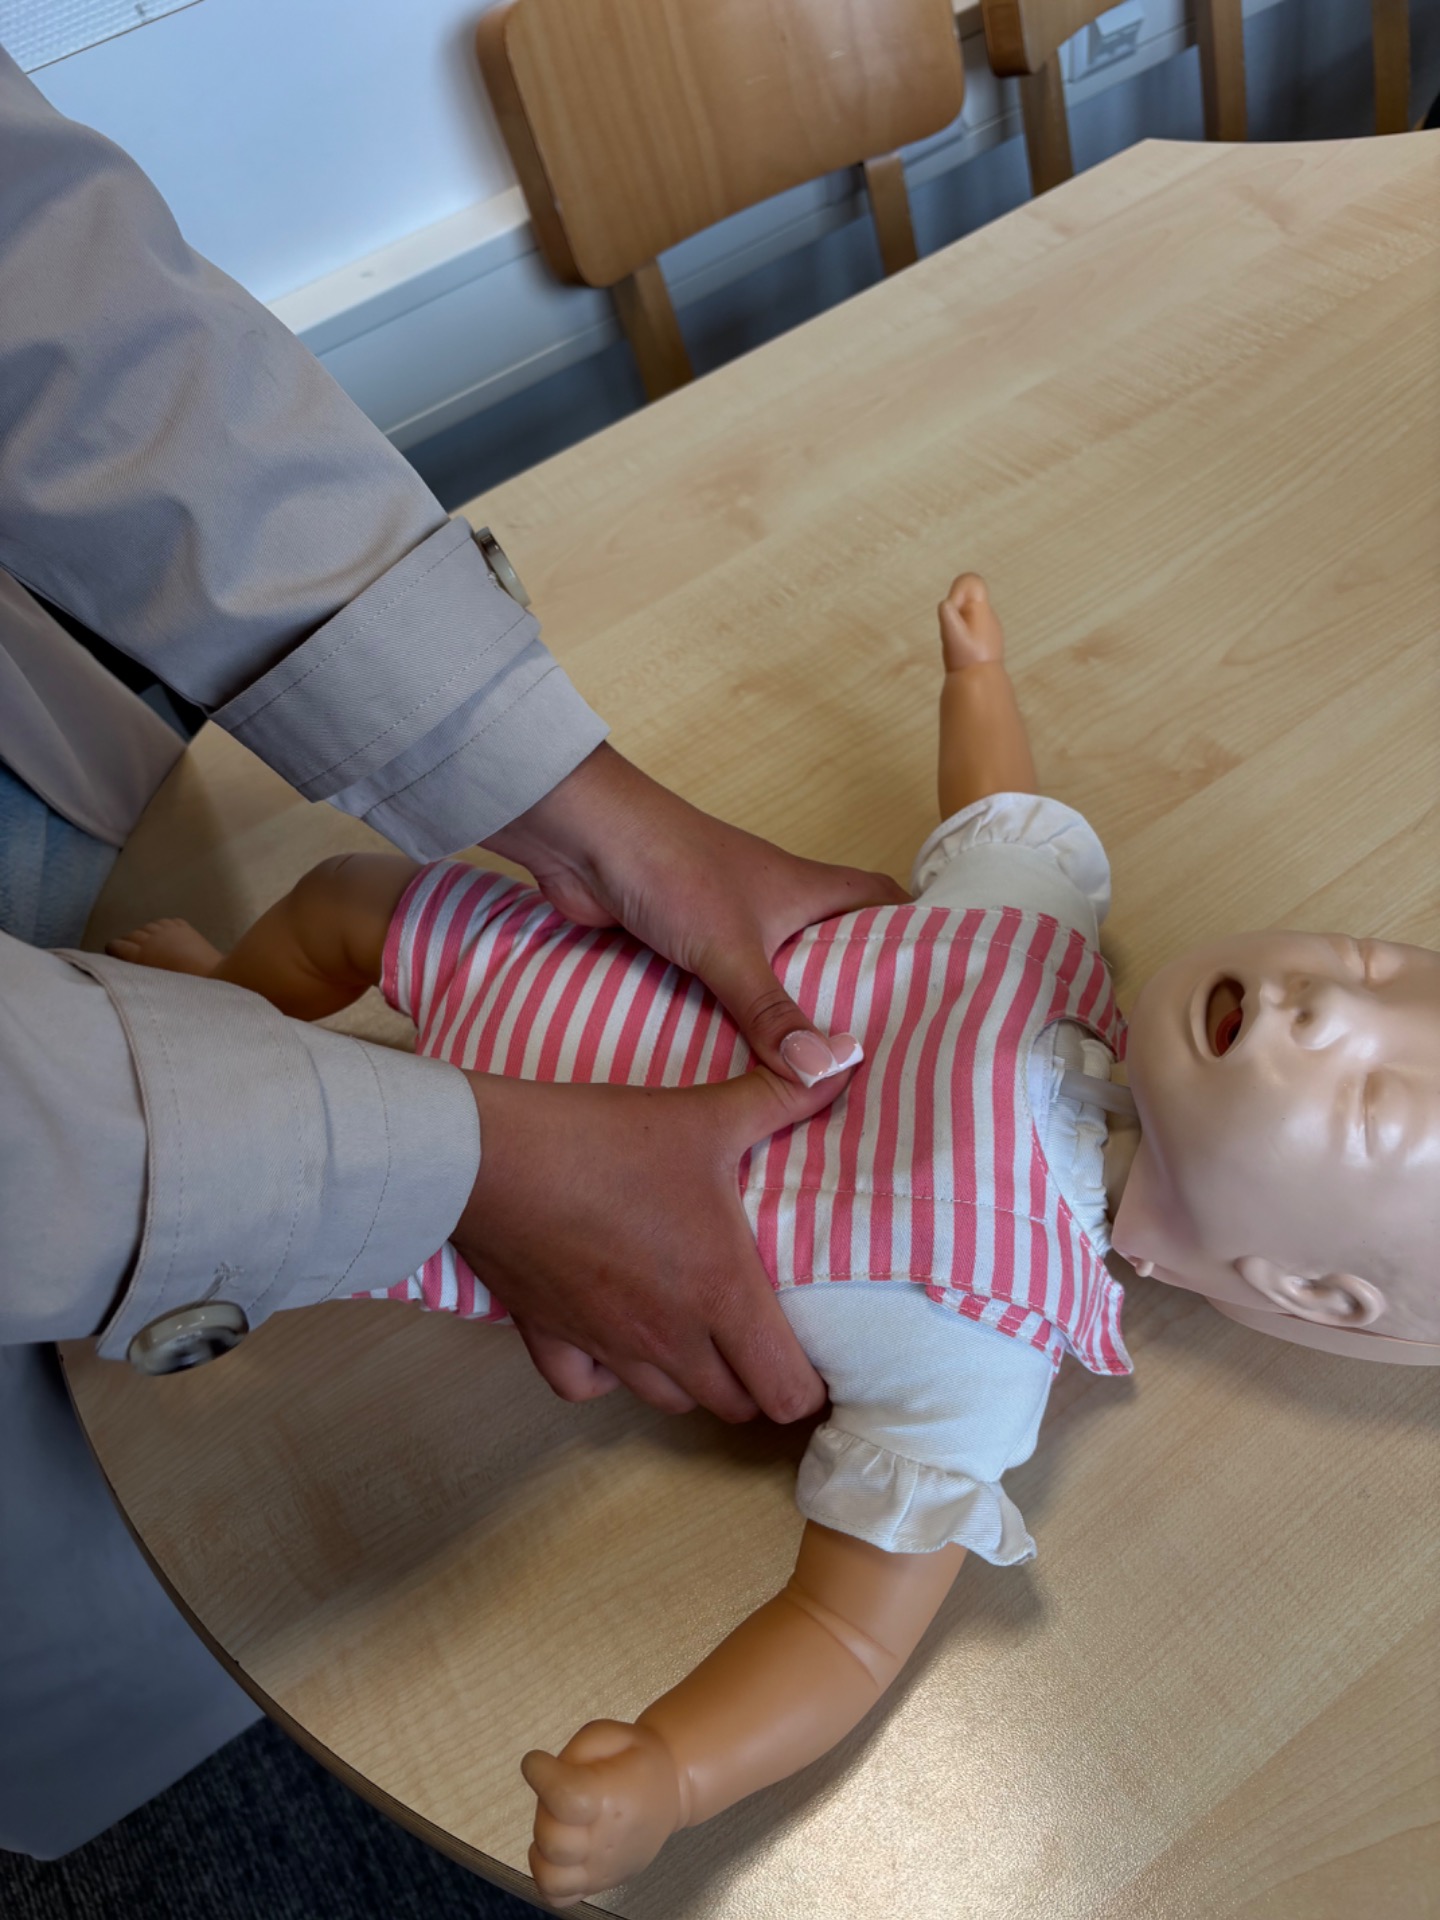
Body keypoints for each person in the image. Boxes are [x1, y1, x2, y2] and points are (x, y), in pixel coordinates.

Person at [114, 571, 1440, 1904]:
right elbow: (996, 810)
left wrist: (675, 1772)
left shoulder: (985, 1343)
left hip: (493, 1218)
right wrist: (980, 683)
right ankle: (227, 1003)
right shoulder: (1034, 938)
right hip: (549, 975)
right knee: (352, 900)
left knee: (269, 1189)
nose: (1329, 1006)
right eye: (1375, 966)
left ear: (1305, 1289)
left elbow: (846, 1633)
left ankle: (202, 1083)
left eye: (1369, 1103)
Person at [0, 44, 904, 1857]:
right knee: (187, 1637)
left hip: (137, 896)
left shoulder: (1001, 1342)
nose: (1327, 1012)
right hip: (308, 1219)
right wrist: (441, 1155)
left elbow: (41, 269)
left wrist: (591, 808)